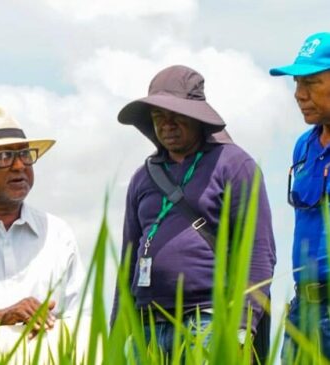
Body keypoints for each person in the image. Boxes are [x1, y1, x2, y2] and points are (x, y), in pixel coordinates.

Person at [110, 65, 276, 361]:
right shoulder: (143, 177)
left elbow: (259, 252)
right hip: (147, 323)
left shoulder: (234, 165)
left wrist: (241, 328)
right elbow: (127, 262)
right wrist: (116, 334)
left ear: (199, 118)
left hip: (208, 319)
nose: (167, 124)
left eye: (177, 116)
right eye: (158, 116)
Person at [0, 107, 86, 340]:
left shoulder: (57, 234)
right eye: (4, 157)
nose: (20, 166)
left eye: (25, 154)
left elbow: (81, 321)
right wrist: (1, 317)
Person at [270, 32, 330, 361]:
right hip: (303, 307)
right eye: (297, 83)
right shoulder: (303, 147)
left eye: (311, 82)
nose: (299, 94)